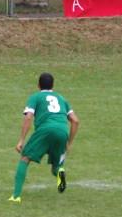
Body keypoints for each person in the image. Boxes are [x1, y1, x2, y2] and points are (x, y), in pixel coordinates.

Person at [8, 72, 79, 204]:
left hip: (45, 130)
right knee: (56, 166)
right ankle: (60, 172)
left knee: (25, 159)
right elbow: (75, 121)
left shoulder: (36, 97)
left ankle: (16, 196)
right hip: (62, 131)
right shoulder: (61, 98)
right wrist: (69, 143)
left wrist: (21, 140)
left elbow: (28, 117)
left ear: (38, 85)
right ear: (53, 85)